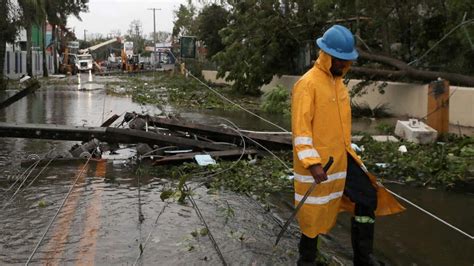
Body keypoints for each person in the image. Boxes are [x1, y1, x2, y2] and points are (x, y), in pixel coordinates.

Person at [291, 25, 405, 266]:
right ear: (327, 55)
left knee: (366, 196)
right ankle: (307, 261)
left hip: (342, 158)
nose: (344, 65)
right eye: (340, 60)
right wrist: (313, 164)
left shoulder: (338, 85)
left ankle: (364, 258)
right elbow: (301, 131)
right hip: (318, 164)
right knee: (313, 213)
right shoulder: (307, 84)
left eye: (346, 61)